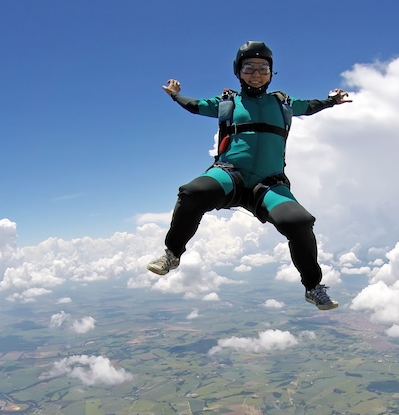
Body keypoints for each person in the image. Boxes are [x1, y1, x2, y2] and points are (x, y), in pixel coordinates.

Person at [147, 41, 350, 310]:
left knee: (300, 223)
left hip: (269, 184)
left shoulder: (282, 103)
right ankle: (172, 254)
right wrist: (175, 95)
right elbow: (195, 105)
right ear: (239, 72)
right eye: (249, 68)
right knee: (192, 193)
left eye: (263, 68)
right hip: (230, 175)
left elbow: (309, 106)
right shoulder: (227, 103)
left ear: (271, 73)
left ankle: (313, 287)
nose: (256, 74)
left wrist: (331, 101)